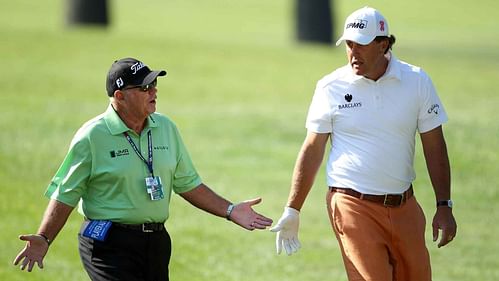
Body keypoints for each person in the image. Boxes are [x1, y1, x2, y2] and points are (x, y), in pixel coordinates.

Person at [13, 57, 273, 280]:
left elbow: (188, 183)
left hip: (156, 243)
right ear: (119, 96)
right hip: (108, 243)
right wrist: (44, 238)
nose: (154, 92)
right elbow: (66, 192)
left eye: (155, 85)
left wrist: (230, 210)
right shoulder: (92, 136)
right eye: (145, 87)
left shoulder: (166, 128)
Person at [270, 6, 457, 281]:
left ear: (383, 45)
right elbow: (313, 148)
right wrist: (292, 208)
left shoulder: (417, 81)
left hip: (405, 205)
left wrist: (444, 205)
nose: (353, 53)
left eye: (362, 45)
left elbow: (435, 146)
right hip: (351, 204)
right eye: (349, 44)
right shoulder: (330, 86)